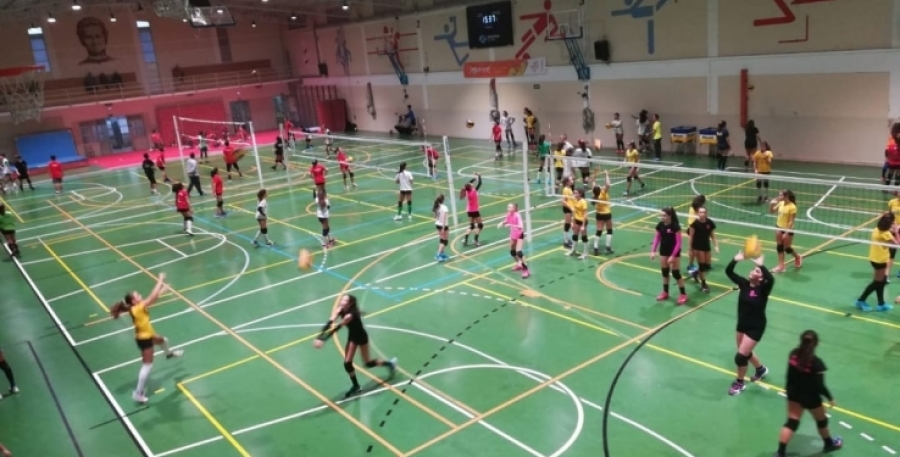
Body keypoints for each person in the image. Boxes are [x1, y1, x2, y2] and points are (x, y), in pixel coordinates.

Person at [111, 273, 183, 403]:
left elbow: (154, 298)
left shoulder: (134, 307)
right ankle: (138, 393)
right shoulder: (138, 308)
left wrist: (163, 289)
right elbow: (152, 297)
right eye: (137, 295)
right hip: (144, 340)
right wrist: (160, 280)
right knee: (147, 366)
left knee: (163, 341)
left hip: (147, 335)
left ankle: (169, 354)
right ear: (134, 301)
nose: (140, 295)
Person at [774, 330, 844, 457]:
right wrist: (830, 398)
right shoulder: (817, 363)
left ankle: (780, 453)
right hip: (811, 398)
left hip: (794, 394)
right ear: (816, 344)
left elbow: (789, 375)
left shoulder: (793, 355)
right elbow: (820, 386)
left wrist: (788, 390)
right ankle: (829, 444)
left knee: (792, 422)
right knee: (822, 421)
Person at [314, 294, 397, 398]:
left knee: (368, 363)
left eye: (344, 300)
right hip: (352, 337)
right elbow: (330, 322)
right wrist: (319, 336)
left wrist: (324, 339)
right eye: (342, 299)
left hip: (361, 337)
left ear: (349, 304)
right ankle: (356, 386)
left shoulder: (350, 315)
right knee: (347, 363)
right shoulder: (339, 309)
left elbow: (337, 328)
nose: (341, 301)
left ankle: (390, 364)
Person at [725, 250, 773, 396]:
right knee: (745, 352)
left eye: (757, 271)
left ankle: (739, 383)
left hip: (755, 327)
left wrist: (761, 265)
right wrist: (735, 259)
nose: (753, 271)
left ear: (761, 278)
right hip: (742, 324)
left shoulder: (763, 289)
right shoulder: (744, 284)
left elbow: (771, 279)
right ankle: (761, 369)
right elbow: (728, 272)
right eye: (753, 269)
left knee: (740, 357)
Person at [856, 213, 896, 312]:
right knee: (877, 283)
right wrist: (896, 232)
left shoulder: (876, 230)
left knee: (881, 281)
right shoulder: (886, 234)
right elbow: (897, 244)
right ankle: (860, 301)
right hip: (880, 261)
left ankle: (881, 304)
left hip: (875, 258)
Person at [650, 207, 688, 305]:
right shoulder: (660, 225)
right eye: (661, 215)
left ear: (670, 216)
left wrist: (673, 256)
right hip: (664, 251)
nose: (662, 217)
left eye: (664, 215)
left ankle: (683, 294)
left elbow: (678, 243)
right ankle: (665, 292)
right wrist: (653, 251)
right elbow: (656, 238)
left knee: (675, 273)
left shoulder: (675, 226)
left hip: (674, 251)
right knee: (665, 272)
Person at [770, 189, 802, 272]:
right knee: (779, 247)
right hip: (778, 227)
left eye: (780, 195)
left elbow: (791, 221)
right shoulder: (780, 203)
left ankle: (797, 257)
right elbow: (772, 211)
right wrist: (771, 204)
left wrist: (787, 232)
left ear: (786, 196)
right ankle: (781, 266)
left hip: (788, 229)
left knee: (787, 248)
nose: (778, 196)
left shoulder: (792, 207)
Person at [688, 207, 718, 292]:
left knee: (707, 265)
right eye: (701, 212)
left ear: (707, 213)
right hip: (697, 247)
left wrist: (716, 246)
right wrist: (690, 248)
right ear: (698, 213)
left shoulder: (709, 222)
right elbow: (691, 236)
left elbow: (712, 235)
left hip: (706, 246)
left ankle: (695, 273)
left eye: (704, 212)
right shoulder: (695, 224)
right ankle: (703, 284)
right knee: (702, 265)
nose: (702, 214)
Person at [499, 203, 529, 278]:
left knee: (519, 252)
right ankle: (519, 264)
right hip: (513, 235)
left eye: (510, 207)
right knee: (512, 251)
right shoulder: (509, 214)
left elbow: (521, 226)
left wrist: (510, 225)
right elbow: (507, 220)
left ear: (514, 209)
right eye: (508, 206)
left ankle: (526, 269)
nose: (508, 208)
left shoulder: (517, 215)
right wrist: (502, 223)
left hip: (519, 234)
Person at [592, 171, 614, 255]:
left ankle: (595, 248)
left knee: (599, 231)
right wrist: (606, 174)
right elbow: (608, 184)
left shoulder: (594, 194)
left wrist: (595, 175)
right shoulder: (603, 192)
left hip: (599, 214)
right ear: (599, 189)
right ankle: (608, 247)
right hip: (607, 213)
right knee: (609, 230)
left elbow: (593, 182)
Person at [461, 174, 483, 247]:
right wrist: (479, 176)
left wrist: (474, 178)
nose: (472, 185)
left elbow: (469, 183)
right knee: (480, 225)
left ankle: (465, 240)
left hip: (469, 210)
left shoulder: (467, 192)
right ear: (470, 187)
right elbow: (480, 183)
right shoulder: (473, 191)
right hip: (475, 211)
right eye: (471, 185)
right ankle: (475, 240)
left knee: (472, 226)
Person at [567, 189, 590, 259]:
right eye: (574, 193)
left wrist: (583, 225)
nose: (574, 194)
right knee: (575, 236)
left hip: (583, 221)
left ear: (580, 194)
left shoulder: (583, 202)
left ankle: (585, 253)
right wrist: (572, 222)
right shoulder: (575, 200)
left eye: (576, 193)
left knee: (584, 237)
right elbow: (574, 212)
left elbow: (585, 214)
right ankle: (573, 250)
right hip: (576, 220)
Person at [433, 194, 450, 262]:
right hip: (443, 225)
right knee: (444, 241)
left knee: (442, 240)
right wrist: (443, 228)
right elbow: (444, 218)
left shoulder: (437, 206)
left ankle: (442, 254)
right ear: (443, 200)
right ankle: (438, 255)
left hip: (438, 224)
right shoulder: (444, 207)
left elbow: (434, 216)